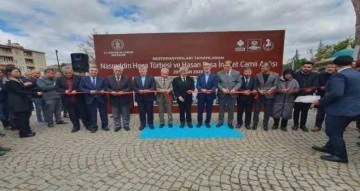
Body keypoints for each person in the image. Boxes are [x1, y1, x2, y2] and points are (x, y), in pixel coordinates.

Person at [312, 56, 360, 163]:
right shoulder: (357, 74)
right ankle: (330, 146)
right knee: (338, 130)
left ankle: (340, 156)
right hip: (355, 109)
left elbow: (336, 93)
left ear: (336, 65)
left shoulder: (339, 75)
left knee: (333, 131)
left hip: (340, 109)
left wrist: (320, 101)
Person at [4, 67, 42, 138]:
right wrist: (36, 94)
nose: (18, 73)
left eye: (18, 71)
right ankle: (23, 133)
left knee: (24, 117)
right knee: (21, 118)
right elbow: (21, 91)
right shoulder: (10, 82)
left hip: (22, 102)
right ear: (10, 73)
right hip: (17, 103)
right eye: (15, 71)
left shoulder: (18, 80)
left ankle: (27, 131)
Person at [56, 67, 89, 133]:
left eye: (69, 73)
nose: (68, 74)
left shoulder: (79, 77)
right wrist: (65, 91)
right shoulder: (59, 79)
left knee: (83, 113)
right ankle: (76, 126)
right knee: (72, 114)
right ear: (63, 73)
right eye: (66, 73)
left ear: (72, 72)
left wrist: (76, 90)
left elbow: (82, 86)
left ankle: (87, 125)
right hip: (68, 99)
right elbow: (57, 88)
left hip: (79, 99)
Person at [79, 66, 109, 133]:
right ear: (89, 71)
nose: (93, 72)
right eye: (92, 70)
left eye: (95, 71)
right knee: (92, 114)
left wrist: (103, 90)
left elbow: (105, 87)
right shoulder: (84, 79)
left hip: (101, 98)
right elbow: (81, 88)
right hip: (90, 99)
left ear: (97, 72)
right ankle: (94, 126)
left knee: (103, 113)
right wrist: (89, 91)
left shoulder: (102, 79)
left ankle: (105, 126)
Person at [292, 62, 319, 132]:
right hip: (297, 95)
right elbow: (292, 83)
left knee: (305, 111)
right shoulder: (296, 74)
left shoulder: (315, 75)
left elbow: (316, 84)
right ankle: (295, 124)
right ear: (302, 67)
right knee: (296, 111)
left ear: (311, 68)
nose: (306, 68)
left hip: (308, 95)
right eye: (305, 66)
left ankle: (303, 125)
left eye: (308, 67)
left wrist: (312, 88)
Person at [253, 63, 279, 131]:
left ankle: (265, 125)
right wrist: (259, 90)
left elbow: (275, 85)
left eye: (263, 67)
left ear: (268, 68)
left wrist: (271, 90)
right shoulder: (258, 75)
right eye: (261, 67)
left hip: (269, 95)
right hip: (259, 95)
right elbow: (256, 85)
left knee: (267, 111)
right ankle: (255, 124)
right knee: (256, 111)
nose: (262, 68)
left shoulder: (275, 75)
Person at [216, 60, 242, 128]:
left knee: (231, 109)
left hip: (232, 94)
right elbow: (217, 83)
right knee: (221, 109)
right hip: (222, 94)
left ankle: (230, 122)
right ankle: (220, 121)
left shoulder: (237, 73)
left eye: (228, 66)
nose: (226, 68)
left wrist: (234, 89)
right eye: (225, 66)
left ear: (231, 66)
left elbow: (239, 83)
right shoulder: (219, 73)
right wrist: (222, 89)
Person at [106, 66, 132, 131]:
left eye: (119, 70)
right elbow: (106, 87)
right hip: (114, 99)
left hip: (124, 99)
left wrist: (123, 91)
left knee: (125, 113)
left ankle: (126, 125)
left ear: (122, 71)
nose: (118, 72)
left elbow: (129, 87)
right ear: (114, 71)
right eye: (116, 70)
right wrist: (111, 91)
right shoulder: (109, 78)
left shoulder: (126, 78)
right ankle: (117, 126)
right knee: (115, 114)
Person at [312, 63, 336, 132]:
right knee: (320, 112)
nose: (330, 68)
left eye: (332, 67)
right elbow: (317, 84)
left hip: (332, 96)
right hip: (322, 95)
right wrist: (320, 87)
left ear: (335, 68)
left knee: (332, 113)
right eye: (329, 67)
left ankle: (333, 126)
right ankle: (317, 126)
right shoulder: (321, 75)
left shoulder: (337, 76)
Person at [133, 66, 156, 130]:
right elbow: (134, 87)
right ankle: (142, 124)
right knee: (141, 112)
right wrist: (138, 91)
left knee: (150, 111)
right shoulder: (136, 78)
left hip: (149, 97)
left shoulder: (151, 77)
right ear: (139, 71)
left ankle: (150, 123)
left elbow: (153, 87)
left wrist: (147, 91)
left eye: (143, 70)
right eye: (140, 70)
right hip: (140, 98)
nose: (142, 71)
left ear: (146, 70)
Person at [196, 62, 218, 128]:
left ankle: (207, 122)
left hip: (210, 95)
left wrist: (211, 90)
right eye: (205, 66)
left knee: (209, 110)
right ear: (203, 68)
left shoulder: (214, 76)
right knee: (200, 110)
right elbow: (197, 85)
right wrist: (202, 89)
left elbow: (215, 85)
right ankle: (199, 122)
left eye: (207, 66)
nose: (206, 67)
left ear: (210, 67)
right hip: (201, 95)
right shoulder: (200, 75)